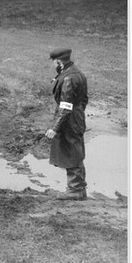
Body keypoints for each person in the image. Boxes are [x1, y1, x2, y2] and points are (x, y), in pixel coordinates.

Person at [44, 48, 89, 200]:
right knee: (75, 149)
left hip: (69, 119)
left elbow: (65, 107)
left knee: (71, 151)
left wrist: (54, 128)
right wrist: (78, 113)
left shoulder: (68, 78)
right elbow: (84, 99)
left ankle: (76, 190)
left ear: (59, 62)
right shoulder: (78, 73)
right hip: (76, 117)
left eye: (54, 62)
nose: (53, 65)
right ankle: (78, 188)